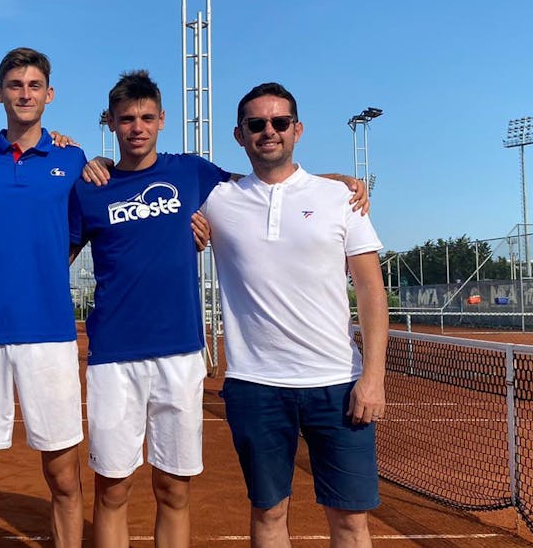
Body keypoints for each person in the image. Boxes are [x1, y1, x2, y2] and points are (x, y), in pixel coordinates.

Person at [202, 82, 388, 548]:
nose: (269, 131)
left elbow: (370, 288)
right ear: (239, 135)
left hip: (338, 385)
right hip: (255, 385)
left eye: (280, 123)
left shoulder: (339, 198)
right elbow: (141, 181)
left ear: (297, 129)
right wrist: (94, 162)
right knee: (268, 515)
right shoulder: (217, 198)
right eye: (256, 124)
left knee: (350, 521)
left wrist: (374, 377)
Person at [68, 70, 231, 547]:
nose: (136, 127)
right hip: (113, 357)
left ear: (161, 120)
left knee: (173, 490)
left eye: (145, 117)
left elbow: (266, 186)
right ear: (112, 125)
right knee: (112, 490)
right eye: (125, 119)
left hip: (179, 355)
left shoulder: (191, 172)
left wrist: (337, 182)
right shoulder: (90, 187)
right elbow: (55, 255)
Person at [0, 47, 87, 548]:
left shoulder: (73, 159)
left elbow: (78, 232)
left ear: (49, 95)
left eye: (34, 85)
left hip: (49, 333)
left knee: (65, 477)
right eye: (14, 85)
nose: (24, 93)